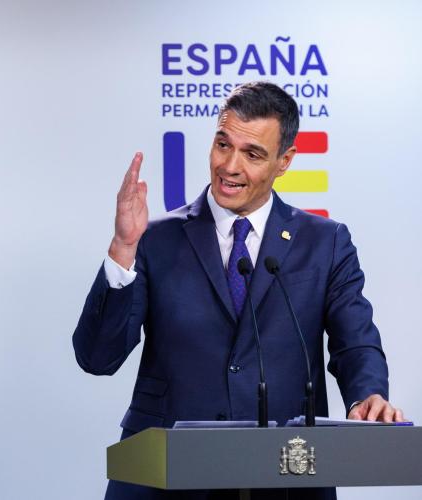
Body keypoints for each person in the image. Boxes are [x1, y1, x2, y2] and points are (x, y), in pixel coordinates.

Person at [72, 81, 404, 500]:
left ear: (284, 161)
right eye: (223, 145)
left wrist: (367, 396)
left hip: (284, 474)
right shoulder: (154, 239)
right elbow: (97, 358)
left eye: (252, 154)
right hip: (166, 476)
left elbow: (355, 341)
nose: (230, 166)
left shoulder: (325, 242)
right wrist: (123, 248)